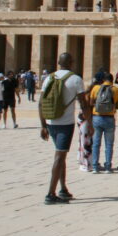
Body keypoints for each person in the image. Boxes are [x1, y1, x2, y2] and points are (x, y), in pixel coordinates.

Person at [38, 52, 91, 203]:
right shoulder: (75, 79)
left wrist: (43, 125)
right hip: (65, 124)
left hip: (49, 121)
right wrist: (89, 123)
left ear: (58, 62)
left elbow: (41, 103)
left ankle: (63, 189)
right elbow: (84, 104)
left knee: (61, 156)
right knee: (60, 156)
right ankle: (50, 194)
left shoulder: (49, 77)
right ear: (72, 62)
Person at [89, 71, 118, 174]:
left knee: (96, 143)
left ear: (103, 80)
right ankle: (107, 167)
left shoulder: (95, 88)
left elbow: (91, 102)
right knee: (109, 144)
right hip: (109, 118)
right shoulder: (115, 89)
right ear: (112, 80)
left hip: (97, 117)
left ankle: (95, 167)